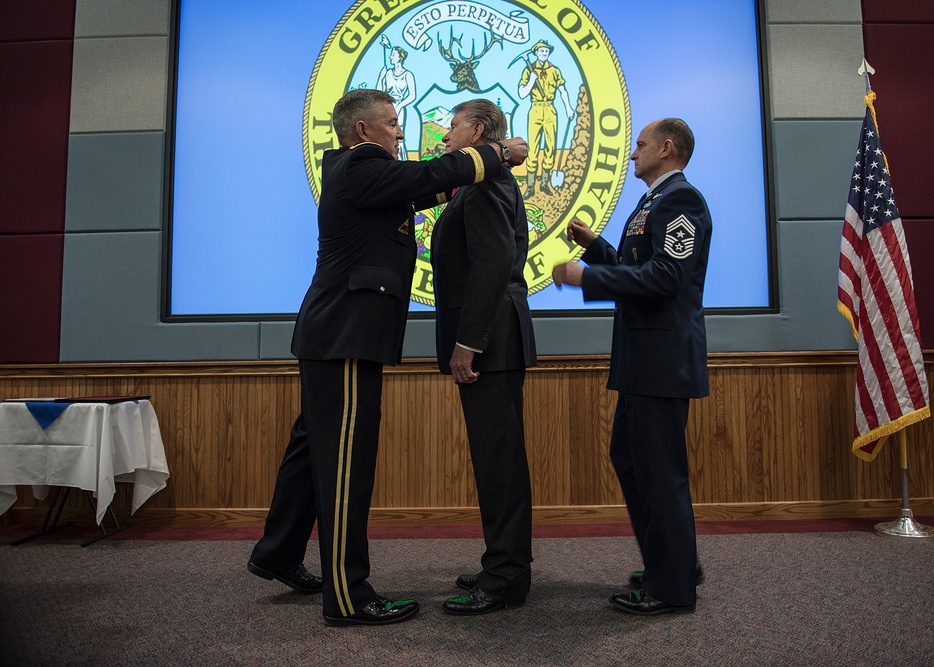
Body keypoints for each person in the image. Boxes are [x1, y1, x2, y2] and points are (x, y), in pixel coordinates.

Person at [247, 89, 528, 627]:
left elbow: (422, 191)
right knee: (346, 466)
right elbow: (424, 180)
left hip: (333, 336)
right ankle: (350, 596)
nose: (403, 133)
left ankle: (277, 552)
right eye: (394, 123)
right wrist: (495, 155)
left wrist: (466, 176)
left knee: (313, 451)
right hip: (347, 338)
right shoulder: (362, 165)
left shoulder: (365, 176)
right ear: (362, 132)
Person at [551, 118, 711, 616]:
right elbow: (639, 264)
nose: (631, 153)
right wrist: (596, 248)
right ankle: (672, 563)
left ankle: (673, 587)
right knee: (631, 459)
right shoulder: (652, 202)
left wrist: (588, 276)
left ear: (667, 148)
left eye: (640, 144)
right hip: (644, 359)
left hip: (661, 359)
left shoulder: (682, 200)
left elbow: (666, 277)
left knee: (659, 472)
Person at [430, 99, 537, 615]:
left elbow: (493, 266)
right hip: (493, 337)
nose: (445, 134)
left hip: (490, 340)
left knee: (500, 462)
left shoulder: (486, 183)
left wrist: (468, 341)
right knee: (496, 459)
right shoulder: (476, 183)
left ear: (477, 131)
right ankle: (503, 561)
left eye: (452, 125)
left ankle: (506, 577)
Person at [517, 39, 574, 199]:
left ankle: (544, 183)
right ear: (536, 53)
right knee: (533, 148)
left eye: (546, 51)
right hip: (535, 108)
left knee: (551, 147)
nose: (544, 53)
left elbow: (562, 90)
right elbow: (522, 93)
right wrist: (532, 80)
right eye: (541, 51)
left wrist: (568, 108)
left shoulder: (554, 70)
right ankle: (530, 186)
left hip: (550, 109)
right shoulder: (529, 70)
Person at [376, 35, 416, 160]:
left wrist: (400, 104)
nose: (390, 57)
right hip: (387, 108)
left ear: (400, 57)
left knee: (398, 135)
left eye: (393, 55)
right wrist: (381, 77)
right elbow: (378, 92)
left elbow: (412, 95)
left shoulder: (407, 75)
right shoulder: (387, 73)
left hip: (400, 106)